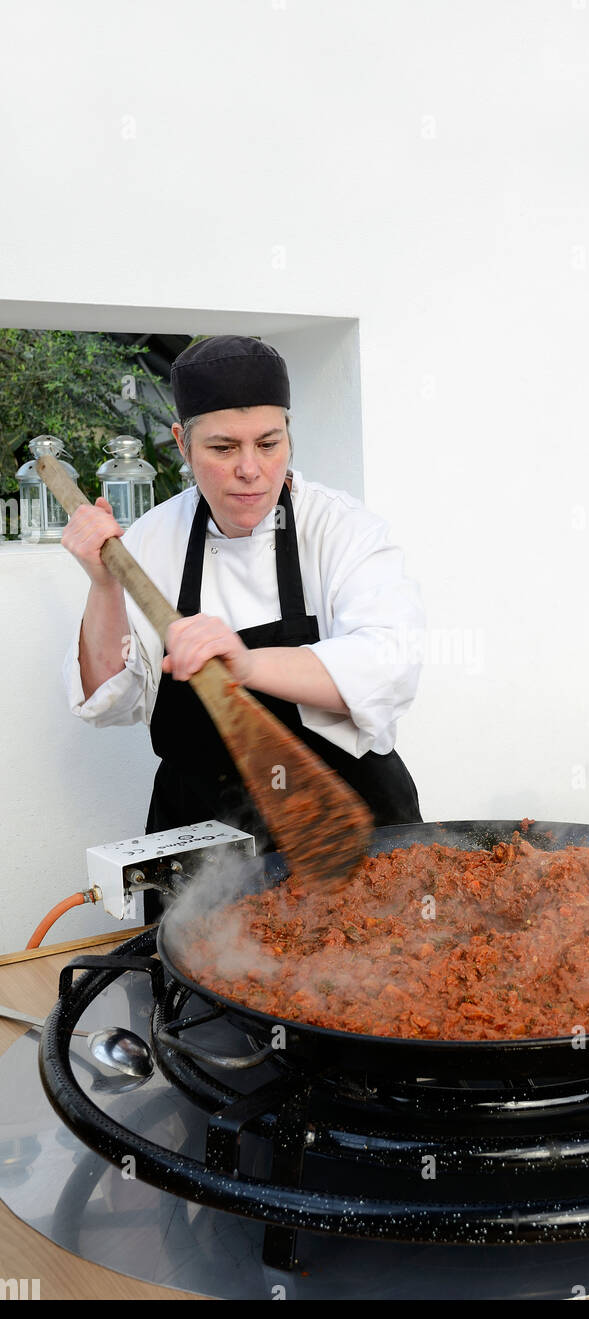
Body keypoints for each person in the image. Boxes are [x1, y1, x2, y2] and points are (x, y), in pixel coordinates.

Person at [62, 335, 423, 917]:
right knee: (195, 996)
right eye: (223, 447)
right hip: (201, 835)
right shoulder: (154, 538)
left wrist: (248, 664)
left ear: (288, 433)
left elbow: (389, 664)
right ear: (182, 443)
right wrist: (103, 586)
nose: (250, 470)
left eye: (268, 443)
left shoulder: (344, 531)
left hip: (345, 821)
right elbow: (110, 700)